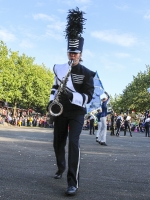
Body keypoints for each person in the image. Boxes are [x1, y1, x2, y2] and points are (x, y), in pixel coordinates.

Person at [47, 8, 95, 196]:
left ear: (80, 54)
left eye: (75, 53)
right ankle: (60, 167)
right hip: (61, 111)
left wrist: (72, 96)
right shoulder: (59, 68)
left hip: (77, 112)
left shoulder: (87, 73)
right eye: (70, 53)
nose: (72, 56)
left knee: (73, 143)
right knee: (58, 143)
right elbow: (54, 87)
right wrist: (51, 103)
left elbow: (89, 97)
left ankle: (72, 181)